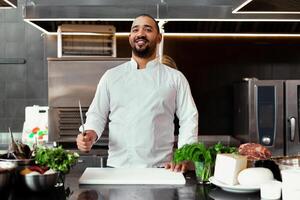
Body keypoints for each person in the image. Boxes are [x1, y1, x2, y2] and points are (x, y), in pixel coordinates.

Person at [76, 14, 198, 172]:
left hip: (161, 169)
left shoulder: (175, 78)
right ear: (130, 37)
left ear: (159, 37)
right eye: (135, 30)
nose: (141, 33)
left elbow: (189, 118)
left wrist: (184, 155)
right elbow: (96, 115)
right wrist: (89, 135)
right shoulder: (111, 76)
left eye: (148, 29)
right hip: (118, 168)